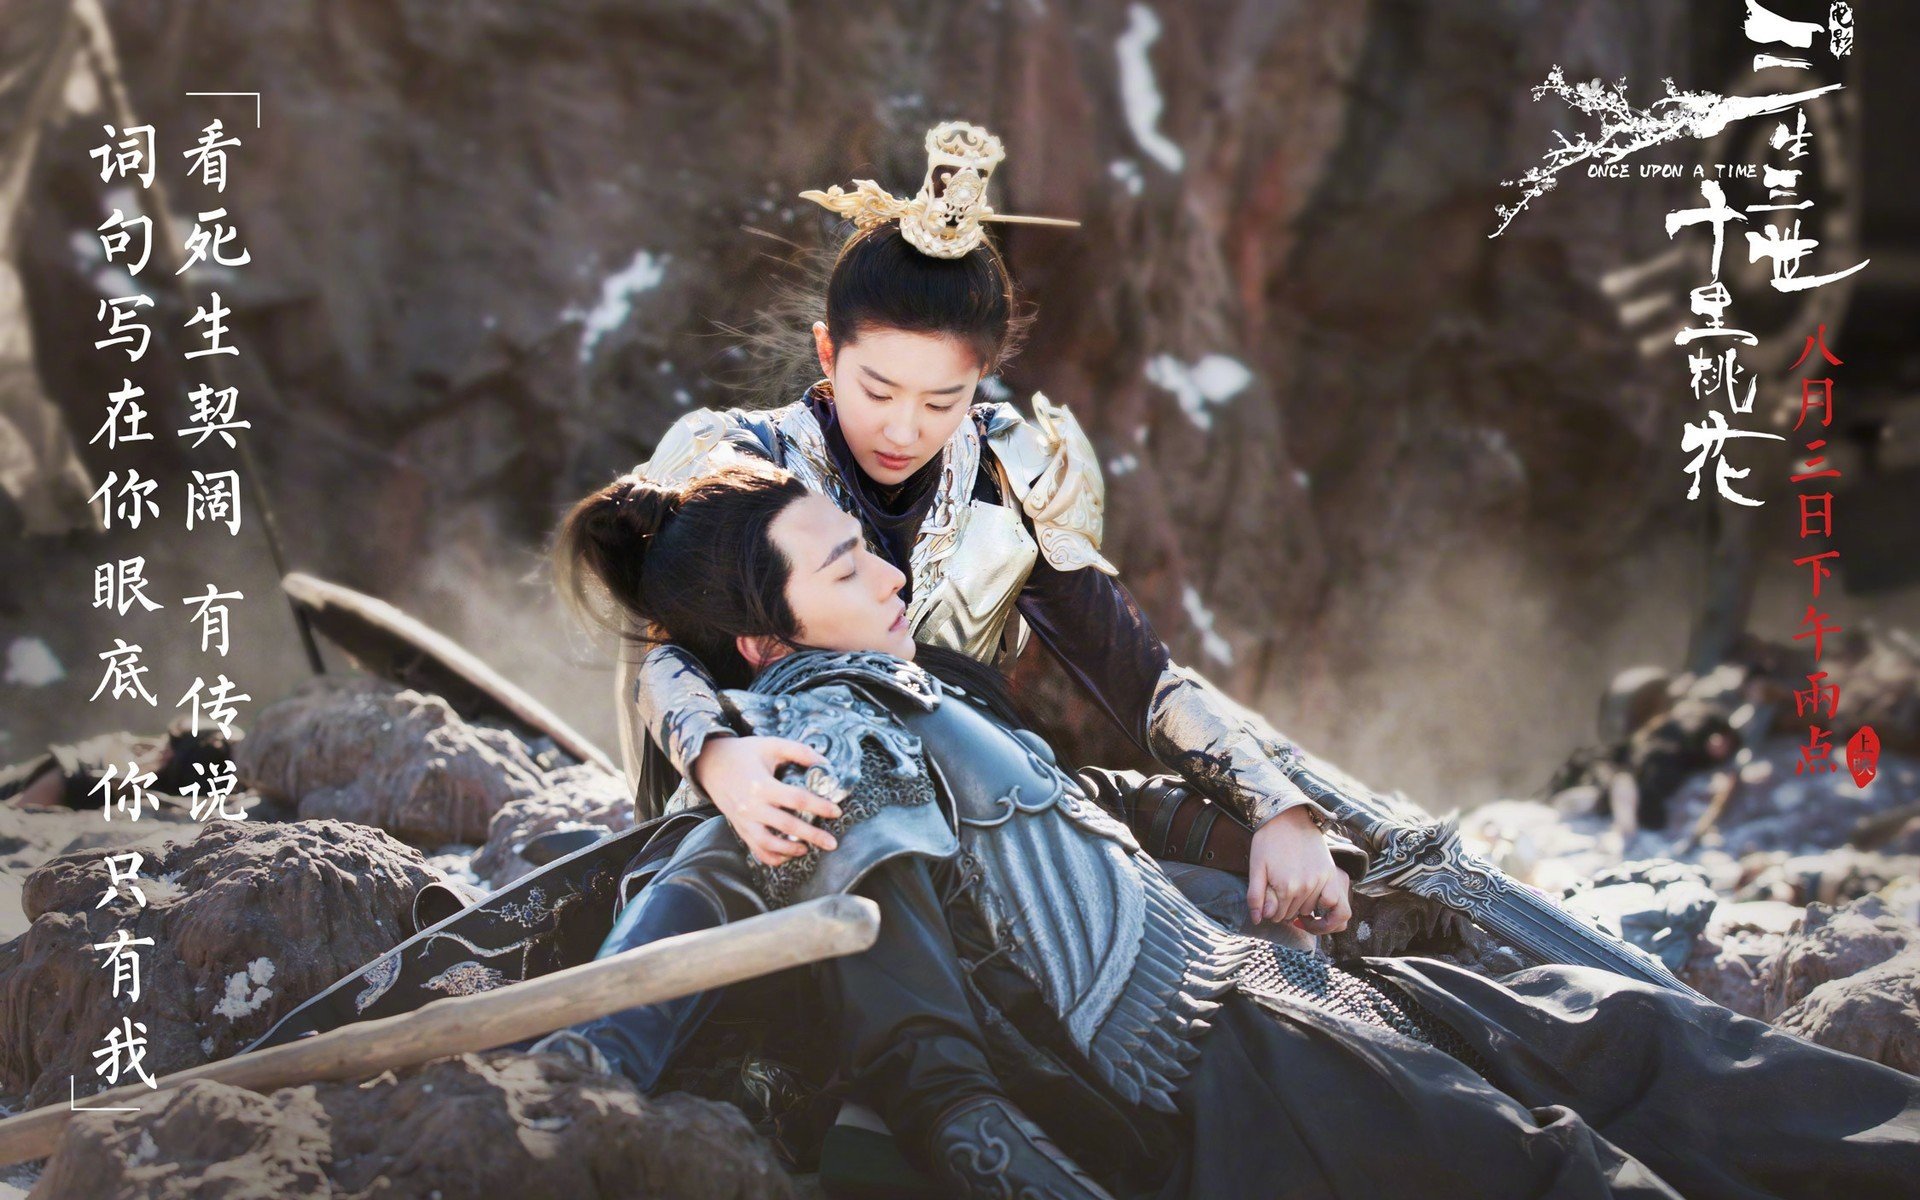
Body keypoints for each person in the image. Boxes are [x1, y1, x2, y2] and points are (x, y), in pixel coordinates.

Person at [542, 459, 1920, 1200]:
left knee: (1643, 1040)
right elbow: (924, 1052)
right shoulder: (818, 745)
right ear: (761, 637)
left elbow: (1074, 810)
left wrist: (1263, 825)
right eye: (846, 565)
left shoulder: (903, 685)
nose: (887, 567)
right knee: (1565, 1167)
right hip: (1225, 1073)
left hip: (1269, 983)